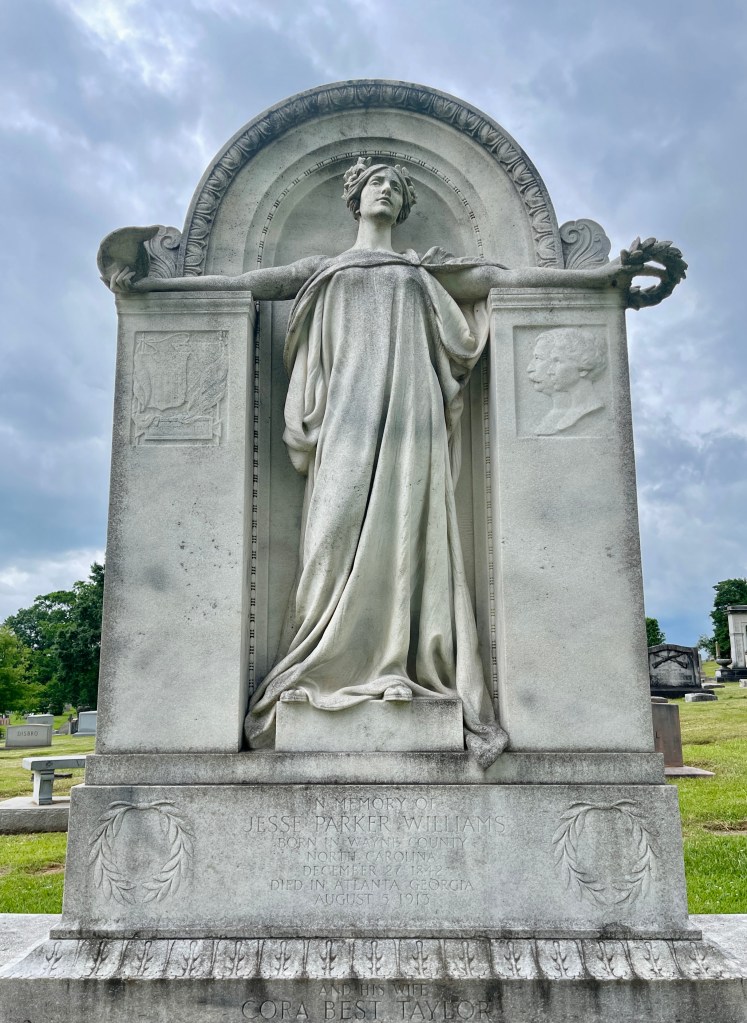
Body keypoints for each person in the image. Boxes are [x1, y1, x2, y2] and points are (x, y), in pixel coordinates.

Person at [108, 157, 678, 767]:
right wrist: (153, 290)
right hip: (343, 427)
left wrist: (604, 279)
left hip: (413, 422)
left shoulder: (421, 271)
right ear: (354, 198)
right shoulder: (324, 269)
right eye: (375, 182)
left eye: (396, 185)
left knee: (408, 542)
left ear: (404, 206)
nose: (385, 189)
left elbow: (500, 278)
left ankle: (398, 669)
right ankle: (319, 666)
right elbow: (247, 284)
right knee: (329, 543)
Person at [527, 327, 607, 435]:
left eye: (557, 361)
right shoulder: (571, 412)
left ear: (583, 368)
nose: (550, 371)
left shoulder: (591, 413)